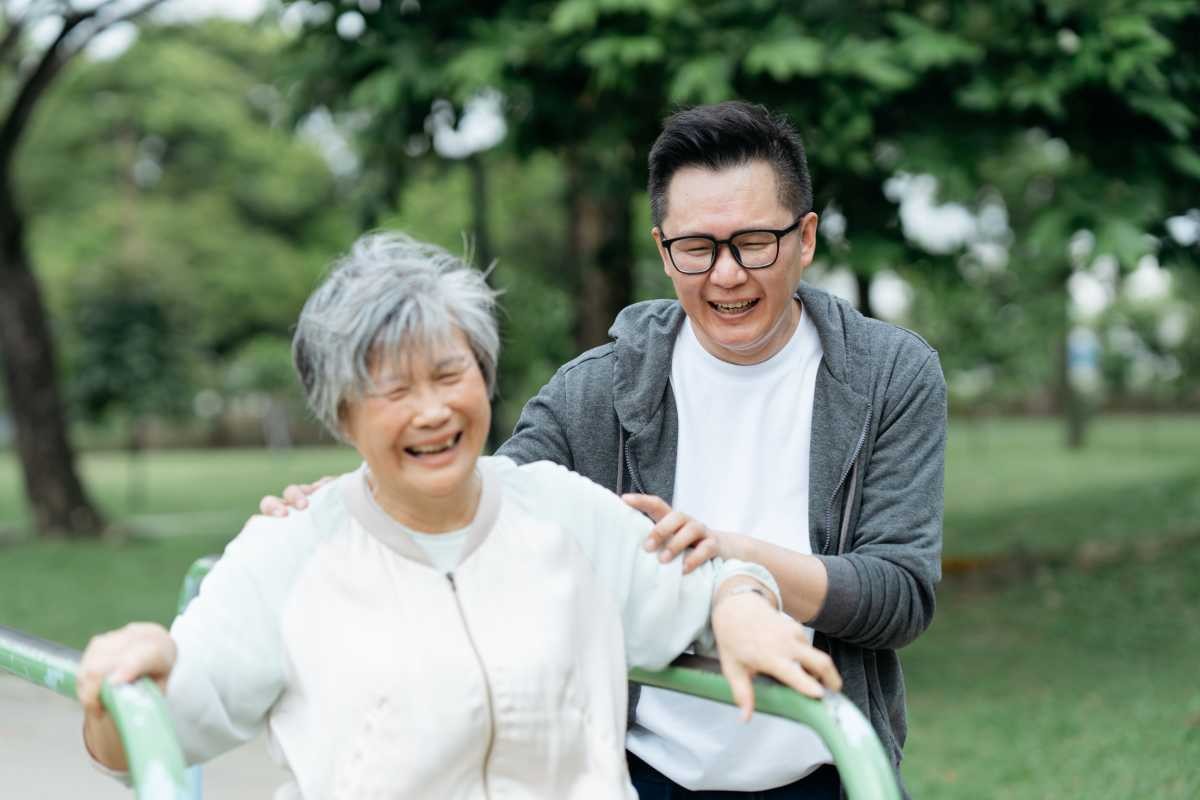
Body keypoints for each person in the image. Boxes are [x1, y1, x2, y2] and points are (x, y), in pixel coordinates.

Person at [265, 101, 946, 797]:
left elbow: (899, 594)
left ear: (804, 238)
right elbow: (490, 502)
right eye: (697, 248)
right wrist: (357, 507)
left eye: (754, 243)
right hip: (640, 769)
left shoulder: (890, 376)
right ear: (662, 249)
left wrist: (730, 557)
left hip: (823, 766)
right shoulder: (602, 384)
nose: (727, 275)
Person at [77, 232, 841, 799]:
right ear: (342, 413)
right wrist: (121, 683)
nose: (434, 410)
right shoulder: (290, 551)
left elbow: (711, 582)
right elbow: (151, 734)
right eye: (394, 390)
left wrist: (741, 603)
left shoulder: (560, 511)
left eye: (451, 373)